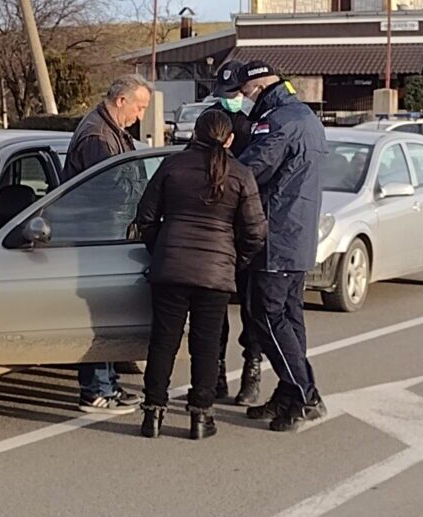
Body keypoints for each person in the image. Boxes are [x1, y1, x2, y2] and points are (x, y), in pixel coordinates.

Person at [134, 110, 266, 440]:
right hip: (215, 272)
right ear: (230, 139)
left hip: (171, 267)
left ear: (194, 132)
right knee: (205, 345)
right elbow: (255, 231)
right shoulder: (240, 174)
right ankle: (201, 416)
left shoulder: (172, 166)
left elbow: (146, 217)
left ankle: (153, 413)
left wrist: (161, 248)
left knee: (163, 341)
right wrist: (234, 261)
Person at [231, 61, 329, 432]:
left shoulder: (279, 121)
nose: (242, 99)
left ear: (258, 87)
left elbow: (250, 170)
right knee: (288, 318)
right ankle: (292, 392)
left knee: (265, 316)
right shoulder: (303, 116)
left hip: (276, 236)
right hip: (296, 237)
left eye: (244, 92)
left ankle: (304, 395)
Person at [64, 74, 152, 414]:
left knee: (110, 313)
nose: (140, 116)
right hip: (97, 236)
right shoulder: (97, 137)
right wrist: (147, 200)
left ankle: (109, 383)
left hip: (109, 234)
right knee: (100, 315)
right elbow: (111, 190)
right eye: (139, 107)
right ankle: (96, 390)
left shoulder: (111, 131)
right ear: (121, 101)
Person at [208, 60, 264, 405]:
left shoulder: (258, 123)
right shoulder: (211, 121)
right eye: (225, 93)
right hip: (218, 233)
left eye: (235, 93)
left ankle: (251, 371)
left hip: (244, 228)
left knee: (252, 310)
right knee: (215, 312)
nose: (231, 99)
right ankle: (216, 373)